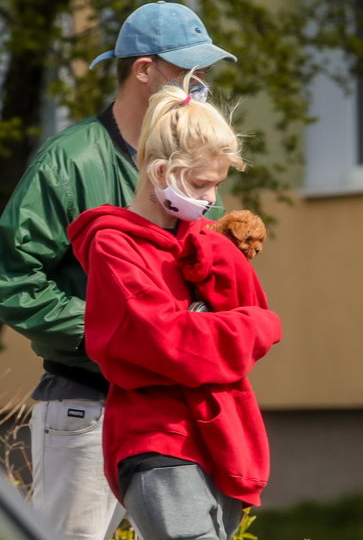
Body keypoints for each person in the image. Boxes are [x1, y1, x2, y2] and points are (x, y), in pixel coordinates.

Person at [0, 1, 236, 540]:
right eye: (190, 69)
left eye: (205, 72)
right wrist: (113, 332)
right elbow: (5, 282)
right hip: (85, 409)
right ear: (144, 70)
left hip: (171, 412)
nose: (201, 83)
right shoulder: (70, 160)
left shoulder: (191, 157)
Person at [67, 72, 282, 540]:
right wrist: (217, 330)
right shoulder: (113, 246)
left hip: (222, 440)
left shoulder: (206, 240)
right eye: (203, 185)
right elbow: (171, 344)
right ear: (162, 173)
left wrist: (202, 318)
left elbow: (263, 322)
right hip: (158, 441)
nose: (211, 200)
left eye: (216, 186)